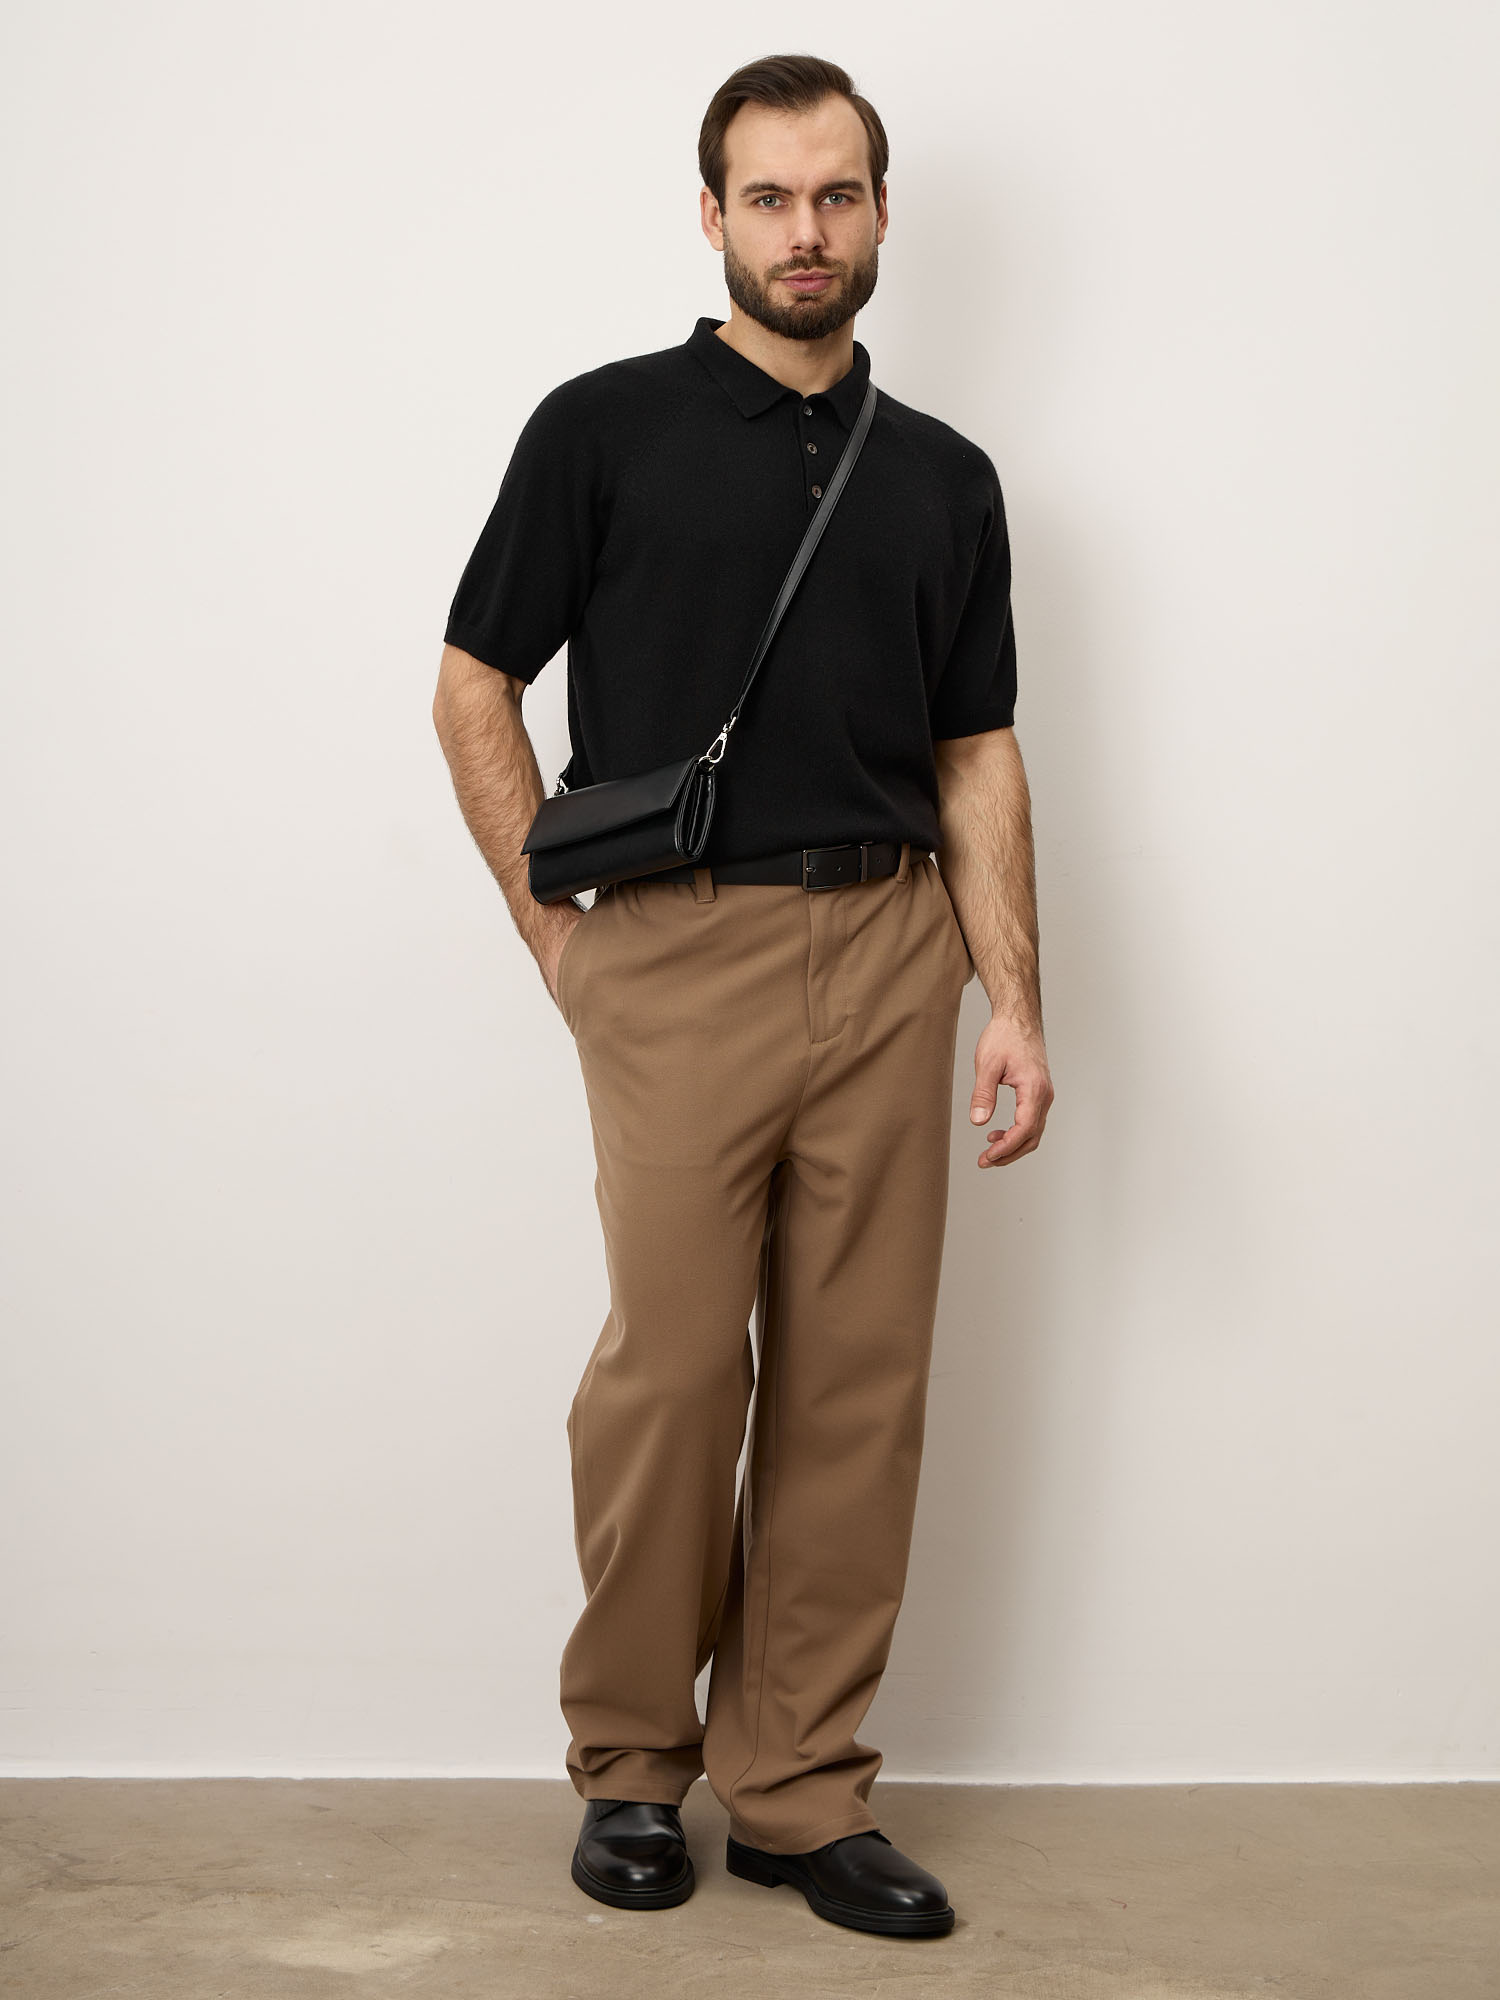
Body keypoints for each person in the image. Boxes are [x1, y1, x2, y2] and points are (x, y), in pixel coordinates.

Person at [432, 52, 1053, 1941]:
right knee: (676, 1372)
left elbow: (976, 748)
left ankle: (796, 1788)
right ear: (710, 215)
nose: (805, 231)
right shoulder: (602, 429)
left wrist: (1014, 998)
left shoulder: (944, 476)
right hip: (673, 949)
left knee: (861, 1385)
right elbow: (472, 684)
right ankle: (633, 1761)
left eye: (836, 195)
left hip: (890, 948)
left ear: (882, 213)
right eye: (769, 198)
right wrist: (559, 941)